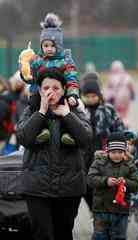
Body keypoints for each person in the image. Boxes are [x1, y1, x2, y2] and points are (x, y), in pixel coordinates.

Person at [16, 70, 92, 240]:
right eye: (46, 87)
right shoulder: (31, 110)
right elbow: (23, 137)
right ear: (40, 90)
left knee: (63, 234)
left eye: (56, 88)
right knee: (43, 235)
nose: (51, 92)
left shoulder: (75, 110)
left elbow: (86, 138)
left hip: (69, 189)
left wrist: (67, 115)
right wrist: (41, 112)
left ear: (64, 89)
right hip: (37, 189)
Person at [19, 12, 80, 145]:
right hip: (41, 94)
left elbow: (71, 78)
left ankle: (67, 133)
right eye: (46, 46)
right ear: (41, 46)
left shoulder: (65, 60)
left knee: (67, 107)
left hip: (60, 94)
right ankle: (42, 131)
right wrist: (24, 72)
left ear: (59, 46)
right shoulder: (37, 61)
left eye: (53, 46)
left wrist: (73, 94)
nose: (49, 49)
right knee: (34, 103)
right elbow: (32, 78)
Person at [80, 79, 126, 211]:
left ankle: (104, 215)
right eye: (87, 96)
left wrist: (122, 145)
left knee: (105, 187)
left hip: (104, 155)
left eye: (93, 96)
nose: (90, 99)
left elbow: (119, 128)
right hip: (84, 157)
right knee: (87, 188)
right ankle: (95, 212)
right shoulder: (80, 111)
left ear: (99, 95)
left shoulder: (108, 110)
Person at [87, 132, 138, 240]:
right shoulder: (99, 162)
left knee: (119, 236)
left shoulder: (129, 165)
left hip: (121, 211)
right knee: (100, 236)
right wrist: (106, 181)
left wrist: (125, 182)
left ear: (124, 152)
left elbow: (136, 184)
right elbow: (90, 179)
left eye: (120, 152)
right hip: (101, 209)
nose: (117, 155)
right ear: (107, 151)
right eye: (114, 152)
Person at [105, 60, 135, 127]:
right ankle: (126, 124)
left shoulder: (111, 77)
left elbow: (108, 89)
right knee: (125, 113)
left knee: (117, 112)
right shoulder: (127, 76)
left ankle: (119, 125)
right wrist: (133, 96)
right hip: (126, 97)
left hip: (116, 98)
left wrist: (107, 98)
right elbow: (131, 87)